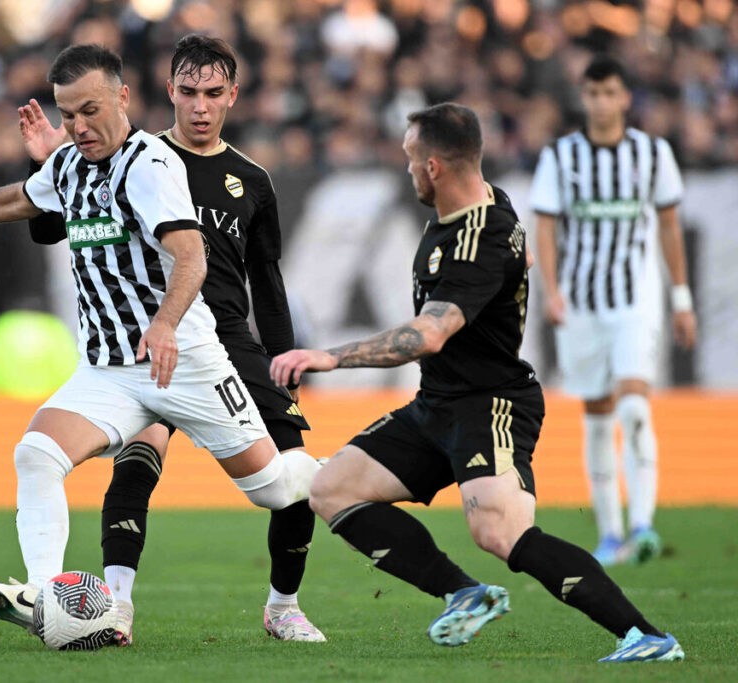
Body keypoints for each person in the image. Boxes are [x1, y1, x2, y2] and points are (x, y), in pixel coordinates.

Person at [0, 44, 321, 644]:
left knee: (276, 487)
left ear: (123, 98)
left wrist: (165, 324)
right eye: (68, 116)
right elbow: (23, 198)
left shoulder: (150, 166)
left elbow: (191, 259)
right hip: (111, 369)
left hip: (186, 363)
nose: (79, 127)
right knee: (36, 454)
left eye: (89, 110)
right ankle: (42, 595)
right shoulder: (69, 165)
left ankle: (352, 469)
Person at [270, 103, 683, 662]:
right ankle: (462, 593)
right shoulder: (484, 203)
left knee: (500, 533)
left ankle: (646, 636)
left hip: (491, 404)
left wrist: (328, 357)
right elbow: (525, 258)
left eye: (412, 159)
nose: (408, 169)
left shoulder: (480, 236)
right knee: (333, 489)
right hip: (437, 402)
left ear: (435, 166)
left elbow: (428, 336)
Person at [20, 35, 323, 644]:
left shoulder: (252, 181)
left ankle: (283, 605)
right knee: (135, 464)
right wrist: (48, 165)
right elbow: (54, 228)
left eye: (213, 94)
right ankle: (115, 606)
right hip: (145, 344)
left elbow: (267, 281)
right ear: (169, 93)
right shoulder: (134, 156)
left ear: (233, 96)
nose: (200, 106)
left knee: (288, 484)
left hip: (226, 343)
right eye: (188, 92)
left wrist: (284, 359)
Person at [530, 56, 697, 566]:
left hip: (636, 300)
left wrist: (681, 298)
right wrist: (552, 292)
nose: (601, 102)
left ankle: (643, 524)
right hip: (581, 303)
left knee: (634, 405)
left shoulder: (652, 154)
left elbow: (670, 226)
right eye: (593, 93)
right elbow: (546, 229)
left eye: (610, 93)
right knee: (598, 418)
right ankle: (610, 534)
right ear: (583, 98)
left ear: (626, 98)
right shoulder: (561, 156)